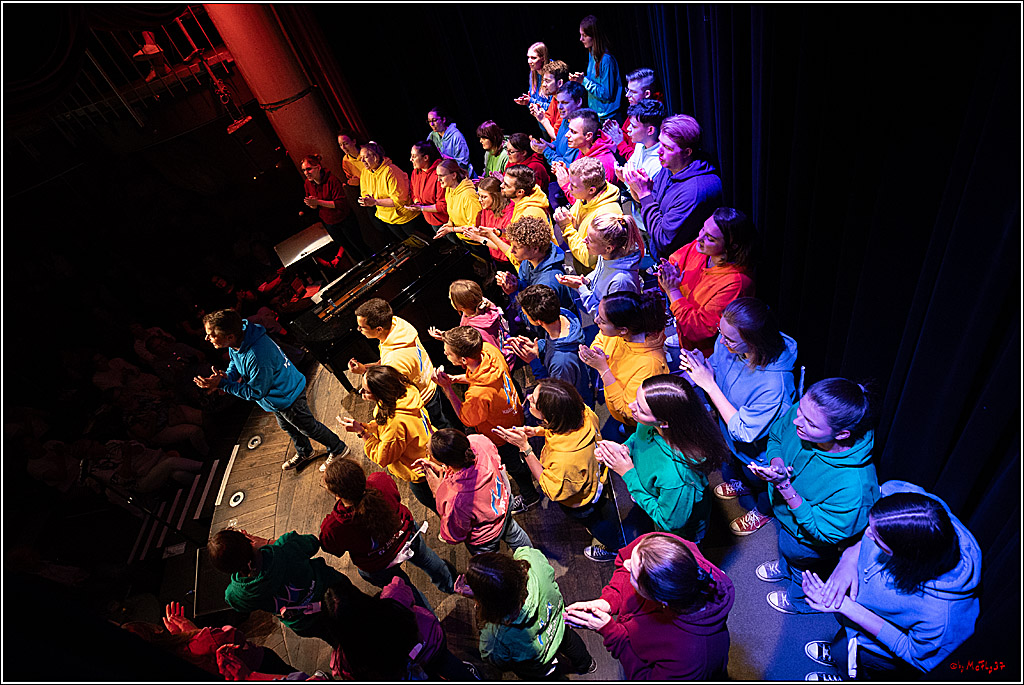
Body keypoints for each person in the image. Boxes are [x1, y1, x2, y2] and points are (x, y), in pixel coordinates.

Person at [800, 480, 980, 680]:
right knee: (841, 643)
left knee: (843, 654)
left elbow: (914, 654)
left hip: (876, 648)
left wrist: (849, 608)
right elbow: (871, 526)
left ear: (908, 559)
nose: (867, 533)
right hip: (859, 609)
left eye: (877, 539)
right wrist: (849, 557)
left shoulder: (942, 618)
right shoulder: (907, 501)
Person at [750, 378, 880, 615]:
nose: (797, 421)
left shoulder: (854, 486)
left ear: (841, 434)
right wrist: (778, 464)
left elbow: (824, 533)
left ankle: (798, 600)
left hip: (808, 541)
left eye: (810, 424)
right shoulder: (806, 415)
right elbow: (777, 436)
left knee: (802, 563)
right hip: (787, 520)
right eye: (800, 410)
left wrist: (784, 487)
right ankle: (786, 568)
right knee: (786, 551)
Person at [680, 297, 798, 536]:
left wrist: (710, 386)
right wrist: (702, 367)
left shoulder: (775, 385)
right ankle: (743, 485)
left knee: (760, 484)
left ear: (755, 341)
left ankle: (764, 512)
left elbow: (744, 432)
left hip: (760, 452)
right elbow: (718, 363)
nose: (722, 341)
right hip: (732, 437)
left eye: (730, 339)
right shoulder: (729, 343)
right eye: (720, 332)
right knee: (740, 470)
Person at [564, 532, 734, 680]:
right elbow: (624, 559)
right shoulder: (660, 547)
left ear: (660, 601)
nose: (626, 564)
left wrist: (612, 633)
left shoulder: (693, 657)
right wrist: (610, 600)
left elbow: (644, 677)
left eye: (634, 575)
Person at [194, 309, 348, 472]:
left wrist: (224, 385)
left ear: (229, 337)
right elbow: (235, 360)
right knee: (288, 427)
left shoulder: (258, 355)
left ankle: (338, 448)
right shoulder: (239, 340)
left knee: (308, 427)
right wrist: (227, 376)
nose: (207, 338)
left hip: (288, 396)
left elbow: (255, 392)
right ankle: (305, 451)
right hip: (278, 398)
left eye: (211, 334)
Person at [494, 378, 623, 561]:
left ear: (549, 416)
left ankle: (613, 548)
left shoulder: (564, 460)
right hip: (595, 478)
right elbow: (562, 429)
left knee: (596, 523)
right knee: (600, 513)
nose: (529, 397)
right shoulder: (584, 413)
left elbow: (550, 488)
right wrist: (537, 431)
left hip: (581, 502)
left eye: (535, 400)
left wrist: (525, 448)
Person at [595, 375, 728, 543]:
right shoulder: (651, 423)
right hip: (655, 493)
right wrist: (624, 449)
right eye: (636, 399)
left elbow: (668, 523)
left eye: (641, 409)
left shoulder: (678, 478)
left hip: (679, 534)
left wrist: (628, 473)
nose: (631, 406)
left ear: (664, 422)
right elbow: (638, 438)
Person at [319, 456, 454, 608]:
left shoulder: (333, 526)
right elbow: (397, 497)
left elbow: (331, 548)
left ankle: (429, 623)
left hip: (378, 562)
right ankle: (452, 585)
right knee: (428, 559)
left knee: (405, 590)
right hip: (406, 535)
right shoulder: (380, 481)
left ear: (337, 494)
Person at [432, 326, 540, 512]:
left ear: (463, 359)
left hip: (502, 435)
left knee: (515, 465)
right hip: (514, 414)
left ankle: (530, 496)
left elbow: (467, 419)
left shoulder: (478, 395)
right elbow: (479, 376)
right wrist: (457, 379)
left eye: (448, 354)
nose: (446, 355)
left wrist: (447, 389)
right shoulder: (488, 351)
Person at [463, 549, 595, 679]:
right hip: (559, 624)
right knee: (571, 643)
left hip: (539, 664)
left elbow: (497, 660)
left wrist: (480, 601)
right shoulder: (532, 561)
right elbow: (524, 552)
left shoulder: (493, 637)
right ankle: (587, 665)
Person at [323, 575, 476, 681]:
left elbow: (345, 673)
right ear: (359, 597)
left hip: (405, 673)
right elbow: (399, 584)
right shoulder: (393, 599)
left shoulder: (344, 659)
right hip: (429, 645)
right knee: (450, 665)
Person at [207, 528, 343, 644]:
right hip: (335, 593)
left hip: (307, 622)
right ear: (248, 541)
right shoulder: (285, 546)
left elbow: (240, 606)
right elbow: (312, 542)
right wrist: (269, 543)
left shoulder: (236, 594)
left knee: (338, 640)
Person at [415, 428, 533, 555]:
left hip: (485, 535)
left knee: (493, 566)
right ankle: (533, 560)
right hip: (503, 507)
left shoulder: (454, 497)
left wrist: (439, 492)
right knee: (516, 536)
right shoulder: (479, 441)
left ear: (444, 460)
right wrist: (446, 474)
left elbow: (453, 535)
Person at [659, 207, 758, 358]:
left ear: (732, 246)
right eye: (702, 230)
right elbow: (669, 272)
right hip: (685, 343)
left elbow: (697, 330)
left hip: (707, 359)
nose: (699, 238)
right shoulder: (700, 248)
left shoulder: (736, 283)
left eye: (710, 239)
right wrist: (667, 278)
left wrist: (673, 291)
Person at [338, 365, 438, 512]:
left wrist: (362, 434)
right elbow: (383, 424)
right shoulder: (406, 392)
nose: (361, 392)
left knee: (440, 506)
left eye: (366, 391)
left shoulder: (396, 424)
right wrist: (366, 427)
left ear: (381, 393)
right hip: (431, 450)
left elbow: (383, 457)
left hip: (422, 473)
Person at [623, 114, 724, 259]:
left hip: (681, 267)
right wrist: (638, 189)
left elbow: (664, 240)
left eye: (668, 148)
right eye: (660, 143)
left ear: (687, 152)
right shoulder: (670, 167)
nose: (659, 151)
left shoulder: (695, 191)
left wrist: (645, 194)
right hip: (663, 259)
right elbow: (654, 205)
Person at [348, 297, 454, 434]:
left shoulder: (395, 360)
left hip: (424, 398)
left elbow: (395, 393)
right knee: (448, 418)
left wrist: (370, 395)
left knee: (444, 431)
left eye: (362, 327)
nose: (359, 330)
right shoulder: (397, 324)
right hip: (430, 382)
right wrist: (365, 369)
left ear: (379, 329)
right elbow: (387, 361)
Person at [122, 601, 295, 677]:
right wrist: (195, 632)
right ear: (156, 630)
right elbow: (235, 637)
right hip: (260, 666)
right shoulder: (199, 641)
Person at [578, 290, 670, 433]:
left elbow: (629, 410)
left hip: (635, 422)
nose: (595, 321)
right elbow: (600, 339)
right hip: (614, 407)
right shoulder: (618, 332)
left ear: (622, 330)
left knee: (632, 431)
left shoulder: (650, 365)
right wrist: (596, 351)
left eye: (602, 320)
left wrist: (603, 369)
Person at [510, 284, 593, 406]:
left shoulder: (561, 362)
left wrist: (534, 361)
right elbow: (552, 343)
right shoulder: (564, 315)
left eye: (526, 315)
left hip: (575, 407)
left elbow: (556, 393)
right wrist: (539, 346)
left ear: (538, 322)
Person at [495, 216, 578, 331]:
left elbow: (537, 323)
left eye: (517, 247)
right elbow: (527, 285)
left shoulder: (549, 282)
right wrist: (516, 284)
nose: (512, 250)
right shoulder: (529, 261)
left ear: (535, 249)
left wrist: (514, 294)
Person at [556, 213, 644, 319]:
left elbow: (605, 319)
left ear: (608, 248)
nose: (584, 241)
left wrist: (581, 288)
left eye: (590, 240)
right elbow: (600, 276)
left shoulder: (620, 281)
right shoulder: (605, 256)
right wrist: (586, 281)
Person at [552, 155, 622, 272]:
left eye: (574, 186)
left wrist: (566, 227)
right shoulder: (585, 197)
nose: (569, 188)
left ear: (591, 190)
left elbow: (588, 258)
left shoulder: (608, 214)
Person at [428, 279, 514, 367]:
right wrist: (445, 336)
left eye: (451, 299)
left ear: (460, 306)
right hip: (507, 352)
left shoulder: (474, 329)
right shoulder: (483, 303)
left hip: (500, 364)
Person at [300, 153, 366, 264]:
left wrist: (318, 202)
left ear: (318, 167)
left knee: (359, 244)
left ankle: (375, 263)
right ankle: (364, 268)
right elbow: (315, 206)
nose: (306, 173)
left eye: (309, 169)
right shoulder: (308, 183)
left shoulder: (331, 180)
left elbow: (339, 203)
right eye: (304, 170)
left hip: (344, 218)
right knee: (349, 249)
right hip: (329, 222)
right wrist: (311, 204)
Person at [357, 141, 424, 242]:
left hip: (405, 217)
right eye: (361, 158)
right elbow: (365, 191)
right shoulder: (365, 173)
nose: (362, 161)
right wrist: (366, 199)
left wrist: (375, 202)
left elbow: (399, 200)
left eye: (365, 157)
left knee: (422, 244)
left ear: (376, 157)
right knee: (410, 246)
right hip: (388, 219)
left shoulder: (390, 171)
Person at [551, 109, 617, 207]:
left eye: (573, 132)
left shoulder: (604, 164)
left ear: (588, 136)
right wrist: (568, 172)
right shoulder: (584, 150)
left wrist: (565, 185)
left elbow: (590, 206)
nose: (567, 135)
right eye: (569, 130)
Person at [570, 15, 623, 122]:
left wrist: (584, 81)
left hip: (609, 117)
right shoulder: (592, 54)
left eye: (584, 35)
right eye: (581, 35)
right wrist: (580, 80)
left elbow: (606, 94)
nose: (581, 39)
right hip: (598, 114)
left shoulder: (606, 60)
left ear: (594, 36)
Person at [602, 67, 659, 161]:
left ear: (647, 94)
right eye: (627, 90)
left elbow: (638, 161)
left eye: (633, 92)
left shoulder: (652, 118)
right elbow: (625, 136)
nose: (627, 95)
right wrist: (614, 134)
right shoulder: (635, 110)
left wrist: (620, 142)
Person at [530, 81, 585, 171]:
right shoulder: (566, 119)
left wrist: (545, 150)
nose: (560, 107)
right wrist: (550, 145)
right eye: (558, 102)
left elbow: (567, 166)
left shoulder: (580, 129)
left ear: (578, 102)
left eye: (564, 102)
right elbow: (560, 143)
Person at [434, 158, 484, 247]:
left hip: (476, 242)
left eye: (441, 176)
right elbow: (452, 211)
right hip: (463, 238)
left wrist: (451, 229)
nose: (438, 180)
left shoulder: (468, 195)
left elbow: (474, 226)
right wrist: (450, 223)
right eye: (437, 175)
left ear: (453, 175)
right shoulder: (449, 189)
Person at [404, 139, 450, 232]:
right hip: (431, 220)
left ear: (426, 158)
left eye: (414, 156)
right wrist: (416, 202)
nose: (410, 159)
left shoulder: (439, 174)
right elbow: (413, 192)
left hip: (447, 222)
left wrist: (421, 208)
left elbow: (443, 206)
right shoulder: (415, 172)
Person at [471, 177, 515, 263]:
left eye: (484, 197)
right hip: (495, 256)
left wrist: (480, 239)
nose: (480, 200)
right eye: (479, 195)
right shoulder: (487, 208)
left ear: (495, 196)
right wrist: (478, 232)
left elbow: (506, 246)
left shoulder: (509, 214)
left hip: (509, 259)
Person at [528, 60, 570, 140]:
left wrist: (542, 120)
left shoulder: (566, 104)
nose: (543, 85)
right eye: (543, 80)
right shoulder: (554, 98)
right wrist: (539, 112)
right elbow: (548, 118)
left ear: (559, 83)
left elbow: (556, 137)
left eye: (547, 81)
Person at [427, 106, 474, 177]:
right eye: (429, 121)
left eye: (434, 120)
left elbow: (463, 162)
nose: (432, 124)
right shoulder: (432, 136)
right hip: (445, 177)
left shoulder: (456, 136)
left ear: (444, 120)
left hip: (462, 177)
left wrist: (445, 158)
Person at [513, 41, 551, 123]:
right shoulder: (533, 74)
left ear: (543, 58)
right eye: (528, 57)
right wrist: (527, 102)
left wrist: (531, 101)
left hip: (553, 122)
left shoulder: (551, 75)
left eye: (533, 58)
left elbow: (553, 107)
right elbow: (534, 101)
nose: (529, 61)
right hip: (542, 122)